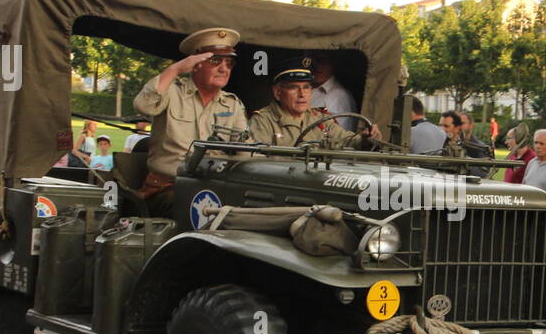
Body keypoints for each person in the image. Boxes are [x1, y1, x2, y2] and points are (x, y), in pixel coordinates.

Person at [133, 27, 248, 213]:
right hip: (168, 188)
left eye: (229, 63)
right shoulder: (171, 92)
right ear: (196, 63)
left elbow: (244, 151)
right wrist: (176, 69)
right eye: (215, 60)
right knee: (192, 209)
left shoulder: (232, 105)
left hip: (215, 188)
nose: (224, 68)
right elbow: (143, 106)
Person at [249, 59, 380, 149]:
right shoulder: (263, 121)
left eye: (306, 87)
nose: (302, 94)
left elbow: (347, 141)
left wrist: (365, 138)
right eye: (294, 88)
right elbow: (256, 165)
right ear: (278, 92)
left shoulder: (319, 119)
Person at [308, 54, 357, 130]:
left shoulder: (339, 96)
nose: (317, 66)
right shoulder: (307, 89)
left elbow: (341, 137)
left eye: (323, 61)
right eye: (313, 61)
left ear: (332, 64)